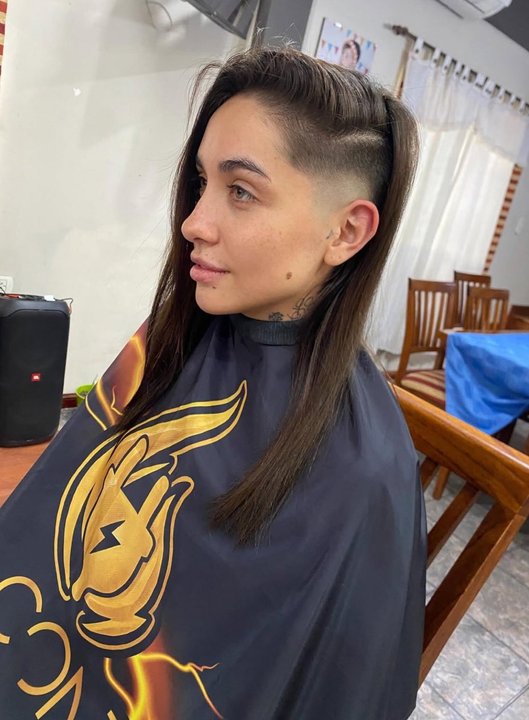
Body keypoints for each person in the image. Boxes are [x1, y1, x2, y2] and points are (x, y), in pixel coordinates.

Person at [0, 47, 426, 719]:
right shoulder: (182, 332)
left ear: (346, 231)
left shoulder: (362, 474)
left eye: (241, 191)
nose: (193, 222)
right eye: (201, 182)